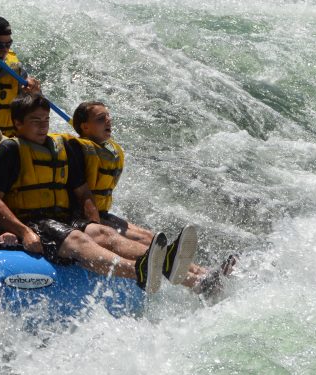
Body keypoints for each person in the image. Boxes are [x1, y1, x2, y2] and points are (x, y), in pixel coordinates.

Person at [0, 93, 196, 293]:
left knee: (102, 233)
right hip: (31, 221)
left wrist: (94, 222)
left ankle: (192, 276)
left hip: (63, 219)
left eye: (46, 120)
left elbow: (82, 191)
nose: (43, 126)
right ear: (18, 123)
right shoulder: (10, 151)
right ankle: (139, 271)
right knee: (78, 238)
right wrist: (24, 232)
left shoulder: (62, 148)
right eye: (35, 121)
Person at [65, 100, 220, 290]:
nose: (108, 121)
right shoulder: (76, 149)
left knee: (147, 235)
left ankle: (202, 272)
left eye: (108, 116)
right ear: (84, 127)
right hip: (79, 218)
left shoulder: (105, 150)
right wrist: (96, 228)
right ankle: (194, 281)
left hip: (100, 214)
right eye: (100, 118)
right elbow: (84, 195)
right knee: (118, 238)